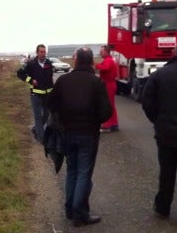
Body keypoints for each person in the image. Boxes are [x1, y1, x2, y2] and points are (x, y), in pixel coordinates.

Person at [48, 47, 112, 227]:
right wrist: (94, 121)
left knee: (73, 171)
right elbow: (106, 112)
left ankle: (70, 209)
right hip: (88, 135)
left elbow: (51, 104)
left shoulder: (63, 80)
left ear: (75, 61)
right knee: (84, 173)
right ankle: (79, 213)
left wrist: (64, 115)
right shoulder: (96, 82)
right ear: (92, 61)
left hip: (67, 133)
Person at [142, 40, 177, 227]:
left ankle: (163, 208)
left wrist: (158, 121)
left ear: (174, 53)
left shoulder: (160, 75)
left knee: (167, 174)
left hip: (166, 135)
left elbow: (147, 102)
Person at [17, 44, 53, 142]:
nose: (43, 54)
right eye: (41, 52)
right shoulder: (31, 63)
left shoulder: (49, 63)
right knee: (37, 116)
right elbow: (20, 73)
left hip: (47, 94)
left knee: (46, 114)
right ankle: (41, 138)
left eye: (44, 52)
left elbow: (50, 79)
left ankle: (35, 129)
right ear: (37, 52)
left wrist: (53, 91)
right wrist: (31, 80)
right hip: (35, 94)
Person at [95, 45, 119, 132]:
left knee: (108, 105)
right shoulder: (109, 59)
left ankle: (108, 125)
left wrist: (97, 65)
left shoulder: (108, 60)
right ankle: (114, 124)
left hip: (108, 84)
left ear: (106, 51)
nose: (100, 53)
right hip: (110, 83)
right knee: (111, 105)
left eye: (101, 51)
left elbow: (106, 68)